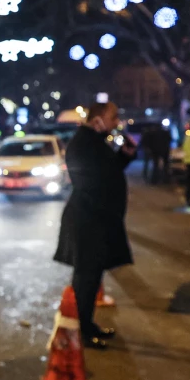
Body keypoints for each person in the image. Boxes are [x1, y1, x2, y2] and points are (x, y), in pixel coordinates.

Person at [53, 101, 136, 349]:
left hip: (96, 221)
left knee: (91, 277)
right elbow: (96, 180)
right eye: (113, 117)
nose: (116, 122)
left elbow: (107, 172)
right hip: (88, 222)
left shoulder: (94, 142)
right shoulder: (83, 144)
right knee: (86, 278)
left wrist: (124, 156)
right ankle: (83, 330)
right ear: (97, 119)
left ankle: (86, 325)